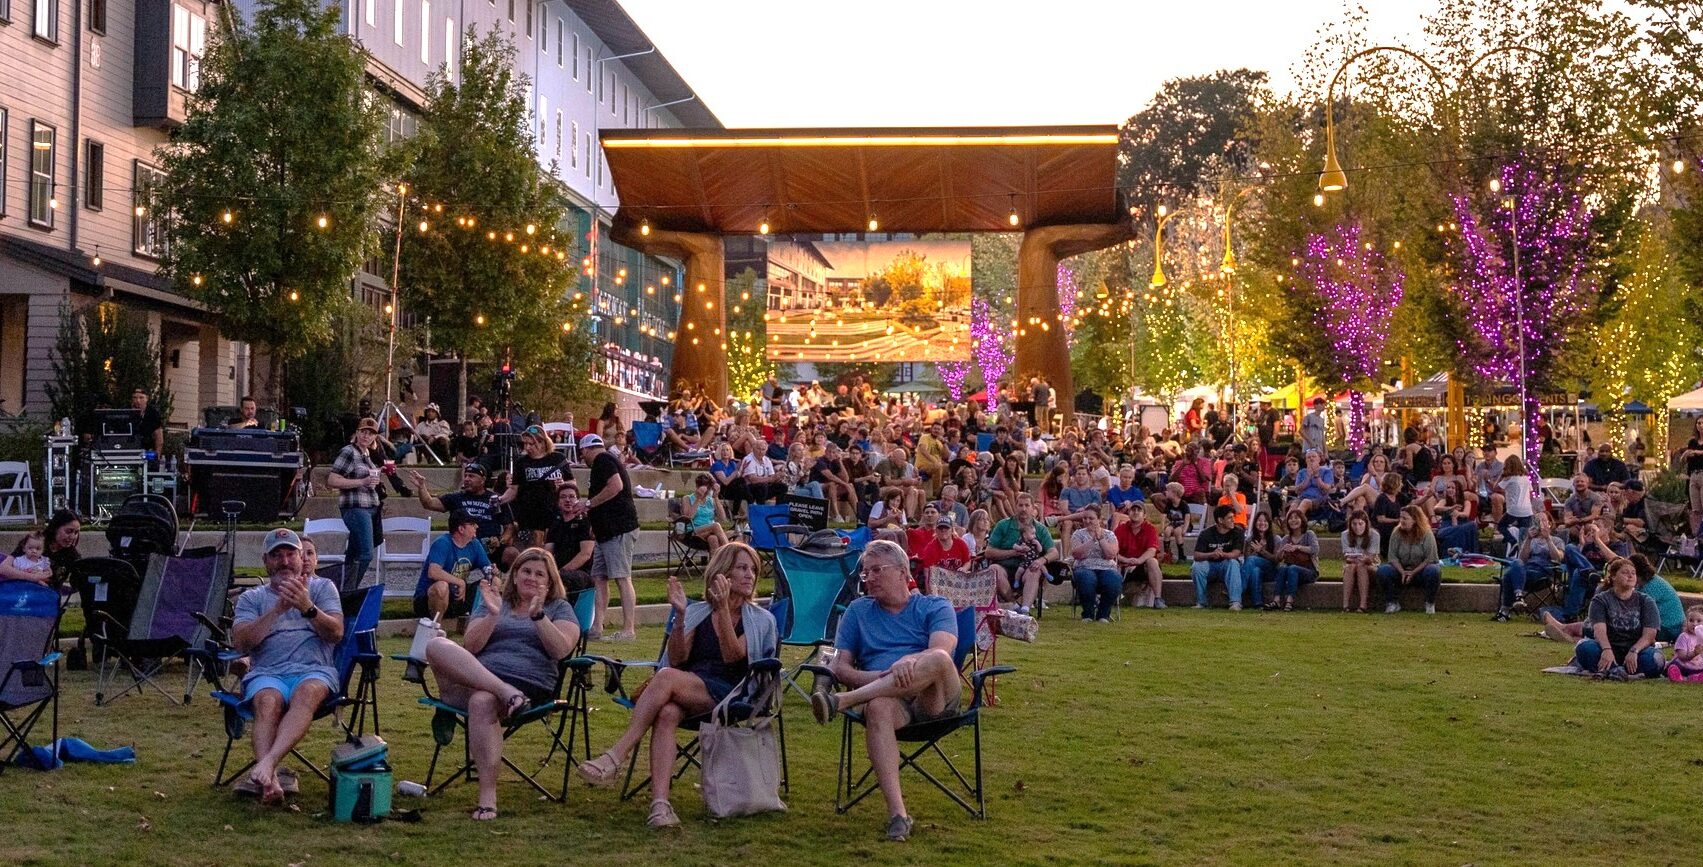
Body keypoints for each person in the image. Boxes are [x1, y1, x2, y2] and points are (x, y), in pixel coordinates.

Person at [579, 543, 776, 829]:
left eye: (753, 569)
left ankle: (617, 755)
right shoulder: (698, 612)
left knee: (667, 677)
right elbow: (679, 657)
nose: (750, 575)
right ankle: (660, 805)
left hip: (732, 692)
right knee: (668, 712)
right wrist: (681, 616)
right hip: (691, 686)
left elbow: (732, 656)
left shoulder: (761, 620)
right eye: (742, 568)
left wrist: (722, 610)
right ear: (722, 573)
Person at [809, 539, 961, 843]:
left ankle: (841, 702)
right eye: (866, 574)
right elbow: (841, 668)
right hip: (886, 701)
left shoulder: (935, 605)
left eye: (877, 570)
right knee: (878, 705)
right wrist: (883, 676)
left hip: (934, 699)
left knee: (939, 659)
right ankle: (898, 815)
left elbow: (942, 651)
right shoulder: (858, 611)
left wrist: (908, 661)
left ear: (903, 572)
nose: (869, 579)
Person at [424, 547, 580, 820]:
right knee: (436, 645)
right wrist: (494, 615)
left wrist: (538, 616)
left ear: (550, 580)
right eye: (526, 571)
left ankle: (488, 798)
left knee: (482, 700)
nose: (531, 577)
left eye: (539, 573)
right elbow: (471, 646)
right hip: (486, 681)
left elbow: (561, 650)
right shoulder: (494, 601)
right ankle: (505, 692)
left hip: (530, 688)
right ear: (515, 575)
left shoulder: (559, 608)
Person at [229, 529, 344, 804]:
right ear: (265, 561)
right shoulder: (251, 598)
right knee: (268, 702)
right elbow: (242, 643)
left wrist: (308, 607)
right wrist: (276, 611)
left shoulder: (322, 588)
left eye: (290, 554)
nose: (284, 561)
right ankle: (271, 780)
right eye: (276, 555)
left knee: (307, 693)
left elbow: (336, 633)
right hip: (268, 673)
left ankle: (267, 766)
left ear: (301, 556)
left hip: (313, 670)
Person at [580, 434, 640, 641]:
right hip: (605, 532)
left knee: (622, 577)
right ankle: (597, 626)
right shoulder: (604, 462)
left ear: (587, 450)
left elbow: (616, 486)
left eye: (582, 454)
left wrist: (588, 504)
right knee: (599, 577)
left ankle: (628, 629)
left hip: (618, 529)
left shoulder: (603, 460)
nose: (582, 458)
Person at [1568, 557, 1661, 680]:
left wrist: (1634, 651)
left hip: (1636, 650)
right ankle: (1617, 669)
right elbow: (1598, 630)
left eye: (1633, 573)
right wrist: (1607, 649)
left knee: (1656, 659)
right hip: (1607, 647)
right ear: (1613, 577)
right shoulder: (1600, 600)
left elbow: (1650, 634)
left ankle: (1611, 670)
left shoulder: (1646, 601)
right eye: (1625, 572)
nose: (1630, 576)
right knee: (1584, 648)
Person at [410, 463, 515, 567]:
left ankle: (510, 582)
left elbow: (509, 527)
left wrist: (500, 542)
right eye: (465, 475)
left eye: (471, 476)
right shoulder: (456, 498)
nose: (467, 479)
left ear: (483, 480)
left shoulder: (494, 499)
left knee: (511, 553)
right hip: (461, 547)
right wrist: (421, 487)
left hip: (489, 547)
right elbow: (429, 503)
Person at [326, 418, 384, 585]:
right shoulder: (349, 452)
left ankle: (342, 591)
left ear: (375, 437)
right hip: (355, 507)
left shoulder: (367, 455)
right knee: (366, 553)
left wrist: (374, 481)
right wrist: (362, 482)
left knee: (353, 554)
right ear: (357, 433)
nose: (366, 436)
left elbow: (367, 480)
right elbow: (332, 479)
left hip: (370, 507)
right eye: (363, 432)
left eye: (371, 433)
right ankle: (350, 589)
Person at [985, 493, 1057, 616]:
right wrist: (1013, 552)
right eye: (1020, 505)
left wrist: (1042, 560)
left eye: (1027, 505)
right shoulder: (1003, 525)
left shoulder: (1040, 529)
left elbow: (1054, 552)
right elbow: (988, 552)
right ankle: (1014, 605)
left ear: (1033, 508)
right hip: (1004, 567)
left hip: (1028, 566)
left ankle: (1025, 610)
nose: (1023, 509)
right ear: (1015, 506)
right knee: (993, 569)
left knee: (1035, 570)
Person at [496, 426, 567, 550]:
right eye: (525, 444)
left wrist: (563, 485)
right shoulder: (521, 462)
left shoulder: (557, 459)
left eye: (531, 444)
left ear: (542, 442)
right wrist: (500, 499)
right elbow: (513, 489)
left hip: (553, 512)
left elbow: (571, 482)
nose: (527, 447)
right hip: (529, 515)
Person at [413, 511, 493, 620]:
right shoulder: (442, 543)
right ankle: (436, 627)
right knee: (441, 586)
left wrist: (493, 572)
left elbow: (487, 568)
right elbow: (434, 572)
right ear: (461, 529)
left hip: (457, 595)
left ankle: (481, 625)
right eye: (472, 524)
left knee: (492, 583)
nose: (477, 526)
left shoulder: (475, 544)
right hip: (427, 600)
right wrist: (459, 581)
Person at [1493, 511, 1565, 622]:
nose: (1540, 523)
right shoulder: (1530, 540)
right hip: (1525, 572)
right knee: (1514, 566)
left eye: (1543, 520)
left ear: (1549, 523)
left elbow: (1558, 558)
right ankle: (1518, 596)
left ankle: (1505, 611)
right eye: (1536, 521)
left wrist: (1548, 539)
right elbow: (1522, 559)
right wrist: (1528, 539)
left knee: (1508, 575)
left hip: (1543, 573)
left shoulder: (1557, 540)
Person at [1377, 506, 1441, 614]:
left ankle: (1430, 603)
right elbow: (1392, 557)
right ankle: (1392, 602)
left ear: (1415, 519)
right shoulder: (1396, 533)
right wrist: (1402, 572)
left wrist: (1413, 572)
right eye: (1401, 518)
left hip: (1421, 570)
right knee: (1383, 571)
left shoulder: (1427, 534)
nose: (1401, 521)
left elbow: (1429, 558)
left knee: (1434, 570)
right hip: (1401, 570)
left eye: (1405, 518)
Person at [1190, 505, 1245, 610]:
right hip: (1210, 566)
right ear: (1220, 520)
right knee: (1197, 566)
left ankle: (1235, 602)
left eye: (1233, 517)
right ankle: (1201, 602)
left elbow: (1236, 554)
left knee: (1233, 563)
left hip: (1226, 566)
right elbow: (1196, 555)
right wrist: (1211, 554)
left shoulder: (1238, 532)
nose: (1233, 520)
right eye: (1230, 518)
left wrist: (1222, 554)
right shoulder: (1206, 533)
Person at [1070, 510, 1121, 623]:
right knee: (1087, 578)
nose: (1087, 521)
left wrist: (1101, 539)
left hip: (1106, 567)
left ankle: (1103, 614)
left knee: (1114, 580)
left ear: (1099, 519)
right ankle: (1088, 614)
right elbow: (1077, 554)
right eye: (1085, 518)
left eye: (1091, 518)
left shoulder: (1109, 534)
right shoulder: (1078, 534)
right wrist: (1092, 540)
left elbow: (1111, 554)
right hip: (1084, 567)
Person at [1114, 504, 1164, 609]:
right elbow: (1113, 551)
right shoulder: (1120, 529)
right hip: (1124, 565)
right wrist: (1126, 560)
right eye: (1133, 510)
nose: (1135, 512)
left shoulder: (1150, 529)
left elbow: (1152, 550)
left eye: (1139, 510)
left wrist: (1138, 561)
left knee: (1152, 561)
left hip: (1143, 565)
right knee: (1111, 562)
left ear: (1144, 515)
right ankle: (1113, 598)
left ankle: (1158, 599)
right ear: (1128, 513)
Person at [544, 482, 594, 581]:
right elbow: (547, 553)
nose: (567, 500)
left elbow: (585, 554)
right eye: (563, 497)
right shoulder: (555, 524)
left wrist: (560, 573)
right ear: (558, 502)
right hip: (559, 572)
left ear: (578, 500)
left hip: (581, 573)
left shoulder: (584, 522)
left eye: (571, 497)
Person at [1272, 509, 1319, 611]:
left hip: (1309, 570)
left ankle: (1289, 601)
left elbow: (1315, 549)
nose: (1293, 520)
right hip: (1290, 570)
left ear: (1302, 520)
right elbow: (1278, 559)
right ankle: (1276, 600)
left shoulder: (1309, 534)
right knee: (1282, 568)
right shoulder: (1286, 538)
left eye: (1296, 518)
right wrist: (1282, 550)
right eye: (1291, 518)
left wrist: (1298, 547)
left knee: (1292, 568)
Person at [1340, 511, 1379, 614]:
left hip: (1370, 566)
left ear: (1366, 524)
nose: (1357, 527)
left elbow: (1371, 559)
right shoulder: (1345, 535)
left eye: (1360, 524)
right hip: (1353, 564)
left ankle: (1363, 605)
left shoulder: (1374, 535)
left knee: (1361, 566)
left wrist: (1363, 559)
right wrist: (1355, 558)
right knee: (1350, 567)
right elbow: (1347, 557)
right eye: (1354, 524)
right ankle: (1345, 605)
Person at [680, 474, 730, 552]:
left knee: (713, 539)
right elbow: (688, 518)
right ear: (697, 486)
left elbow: (722, 517)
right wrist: (698, 498)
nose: (707, 491)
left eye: (709, 488)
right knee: (716, 526)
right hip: (693, 532)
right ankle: (729, 552)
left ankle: (714, 563)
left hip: (710, 531)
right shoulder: (687, 498)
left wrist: (716, 497)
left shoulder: (710, 500)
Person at [1496, 454, 1534, 551]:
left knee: (1501, 526)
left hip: (1514, 509)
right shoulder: (1525, 478)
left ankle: (1512, 541)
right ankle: (1522, 553)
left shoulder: (1509, 479)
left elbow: (1496, 488)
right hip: (1527, 510)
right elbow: (1530, 494)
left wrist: (1501, 475)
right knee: (1523, 534)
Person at [1242, 511, 1277, 611]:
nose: (1262, 523)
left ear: (1269, 523)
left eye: (1265, 521)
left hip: (1271, 570)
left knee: (1253, 561)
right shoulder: (1250, 540)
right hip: (1257, 570)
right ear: (1255, 523)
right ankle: (1258, 603)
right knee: (1255, 571)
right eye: (1259, 521)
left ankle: (1240, 588)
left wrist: (1261, 551)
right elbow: (1247, 560)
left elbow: (1276, 559)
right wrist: (1256, 551)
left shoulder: (1275, 539)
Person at [1664, 605, 1703, 682]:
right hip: (1683, 665)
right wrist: (1695, 653)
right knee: (1675, 666)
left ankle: (1692, 678)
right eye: (1691, 620)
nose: (1694, 624)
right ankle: (1680, 675)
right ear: (1686, 622)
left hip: (1697, 666)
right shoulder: (1684, 637)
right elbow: (1682, 656)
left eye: (1699, 621)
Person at [132, 388, 164, 457]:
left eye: (141, 398)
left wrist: (157, 455)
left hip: (147, 449)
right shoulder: (126, 412)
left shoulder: (153, 414)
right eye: (135, 398)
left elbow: (159, 436)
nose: (138, 401)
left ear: (147, 398)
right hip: (130, 449)